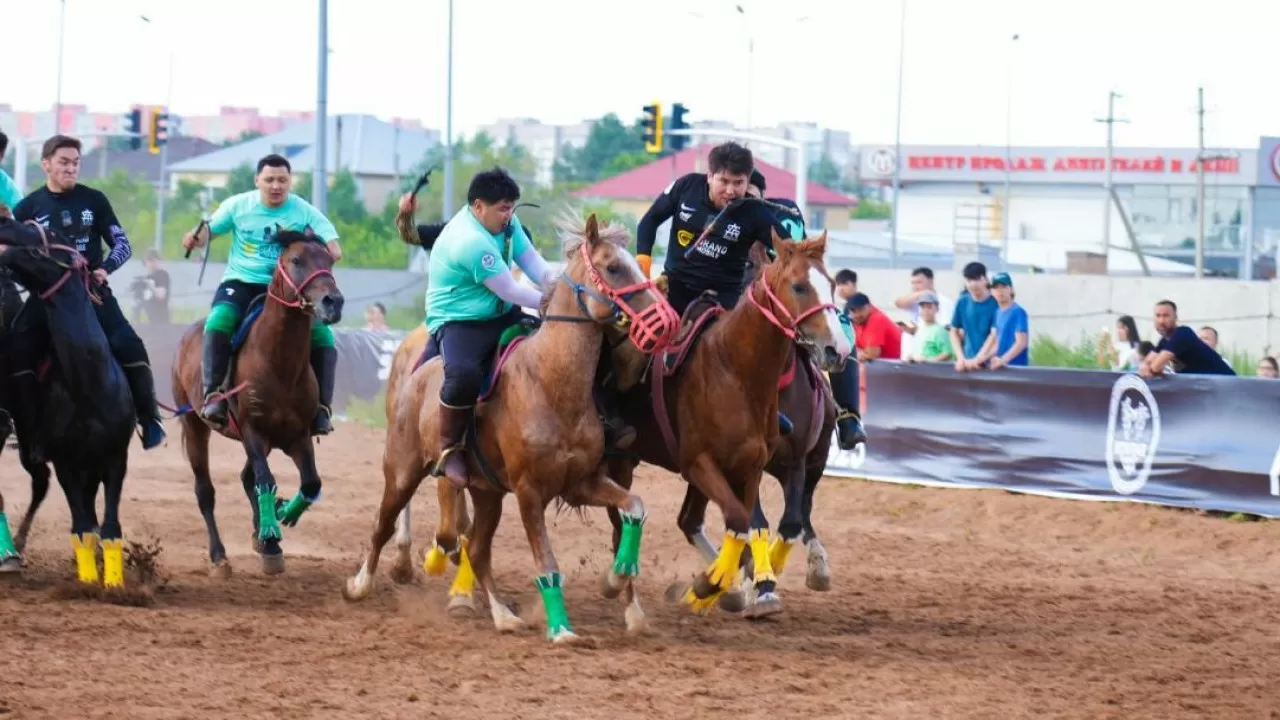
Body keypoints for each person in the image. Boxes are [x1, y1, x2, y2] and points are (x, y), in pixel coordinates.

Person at [633, 142, 818, 440]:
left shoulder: (756, 213)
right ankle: (621, 409)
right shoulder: (684, 187)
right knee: (637, 342)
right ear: (709, 176)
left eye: (739, 183)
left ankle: (768, 408)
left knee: (751, 353)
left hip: (725, 301)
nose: (731, 190)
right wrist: (643, 265)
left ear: (747, 181)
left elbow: (788, 252)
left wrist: (801, 259)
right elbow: (649, 221)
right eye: (724, 182)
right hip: (676, 290)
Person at [10, 134, 167, 457]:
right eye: (64, 162)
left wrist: (104, 269)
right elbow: (15, 256)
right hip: (47, 297)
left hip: (92, 293)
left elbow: (122, 245)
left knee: (130, 343)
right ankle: (27, 428)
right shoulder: (27, 207)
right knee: (17, 349)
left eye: (75, 163)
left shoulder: (94, 200)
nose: (71, 168)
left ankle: (149, 417)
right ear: (46, 165)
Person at [181, 153, 344, 435]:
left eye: (282, 179)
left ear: (290, 181)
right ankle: (214, 396)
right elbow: (207, 233)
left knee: (324, 336)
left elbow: (334, 251)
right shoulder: (237, 206)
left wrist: (307, 250)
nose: (276, 185)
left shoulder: (304, 211)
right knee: (219, 319)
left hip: (288, 290)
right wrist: (194, 239)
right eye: (269, 179)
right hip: (242, 283)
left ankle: (321, 409)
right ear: (258, 180)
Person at [420, 167, 556, 489]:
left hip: (501, 312)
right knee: (464, 374)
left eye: (511, 207)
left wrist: (563, 290)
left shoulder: (508, 224)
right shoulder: (470, 241)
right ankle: (449, 448)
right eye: (502, 209)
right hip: (458, 319)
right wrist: (554, 303)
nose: (509, 215)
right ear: (479, 206)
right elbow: (510, 290)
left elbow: (536, 266)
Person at [1140, 300, 1235, 377]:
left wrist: (1149, 368)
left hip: (1226, 386)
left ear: (1176, 318)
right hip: (1206, 388)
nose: (1161, 321)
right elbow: (1147, 362)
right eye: (1158, 316)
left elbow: (1155, 367)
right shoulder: (1164, 341)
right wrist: (1145, 366)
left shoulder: (1183, 333)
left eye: (1166, 316)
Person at [949, 261, 999, 371]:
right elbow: (953, 331)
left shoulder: (996, 303)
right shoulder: (962, 301)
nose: (973, 284)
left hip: (991, 363)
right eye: (969, 280)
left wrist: (979, 358)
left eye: (977, 279)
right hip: (967, 363)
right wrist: (960, 357)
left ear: (985, 279)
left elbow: (994, 335)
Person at [973, 272, 1029, 369]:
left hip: (1017, 371)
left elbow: (1021, 342)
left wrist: (1003, 360)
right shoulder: (997, 313)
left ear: (1011, 290)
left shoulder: (1018, 312)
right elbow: (998, 343)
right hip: (1001, 370)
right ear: (991, 291)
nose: (1000, 291)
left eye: (1003, 287)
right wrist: (984, 358)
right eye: (996, 288)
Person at [847, 293, 903, 361]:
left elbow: (871, 355)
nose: (857, 314)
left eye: (860, 309)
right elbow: (852, 348)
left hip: (897, 365)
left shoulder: (876, 319)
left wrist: (858, 354)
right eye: (853, 311)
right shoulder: (858, 321)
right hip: (882, 365)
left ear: (870, 307)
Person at [906, 290, 951, 362]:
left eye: (929, 307)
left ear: (937, 309)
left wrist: (928, 361)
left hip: (933, 371)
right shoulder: (919, 330)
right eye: (922, 307)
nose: (925, 310)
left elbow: (947, 353)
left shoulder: (940, 331)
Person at [132, 249, 170, 324]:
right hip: (150, 319)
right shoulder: (148, 277)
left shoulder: (162, 275)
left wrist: (149, 285)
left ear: (157, 261)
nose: (150, 263)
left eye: (152, 260)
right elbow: (141, 299)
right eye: (148, 261)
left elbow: (161, 295)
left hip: (161, 318)